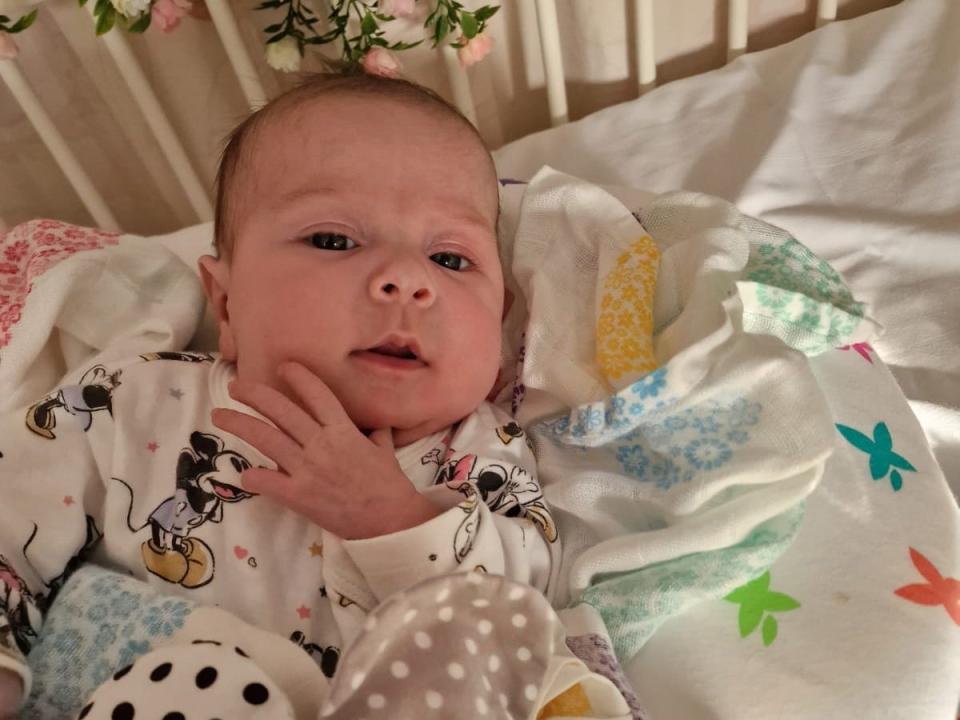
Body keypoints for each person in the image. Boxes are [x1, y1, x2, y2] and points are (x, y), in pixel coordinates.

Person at [0, 71, 560, 716]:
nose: (407, 279)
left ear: (498, 322)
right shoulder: (133, 399)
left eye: (452, 259)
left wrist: (395, 522)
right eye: (334, 240)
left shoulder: (481, 457)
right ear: (228, 303)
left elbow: (524, 618)